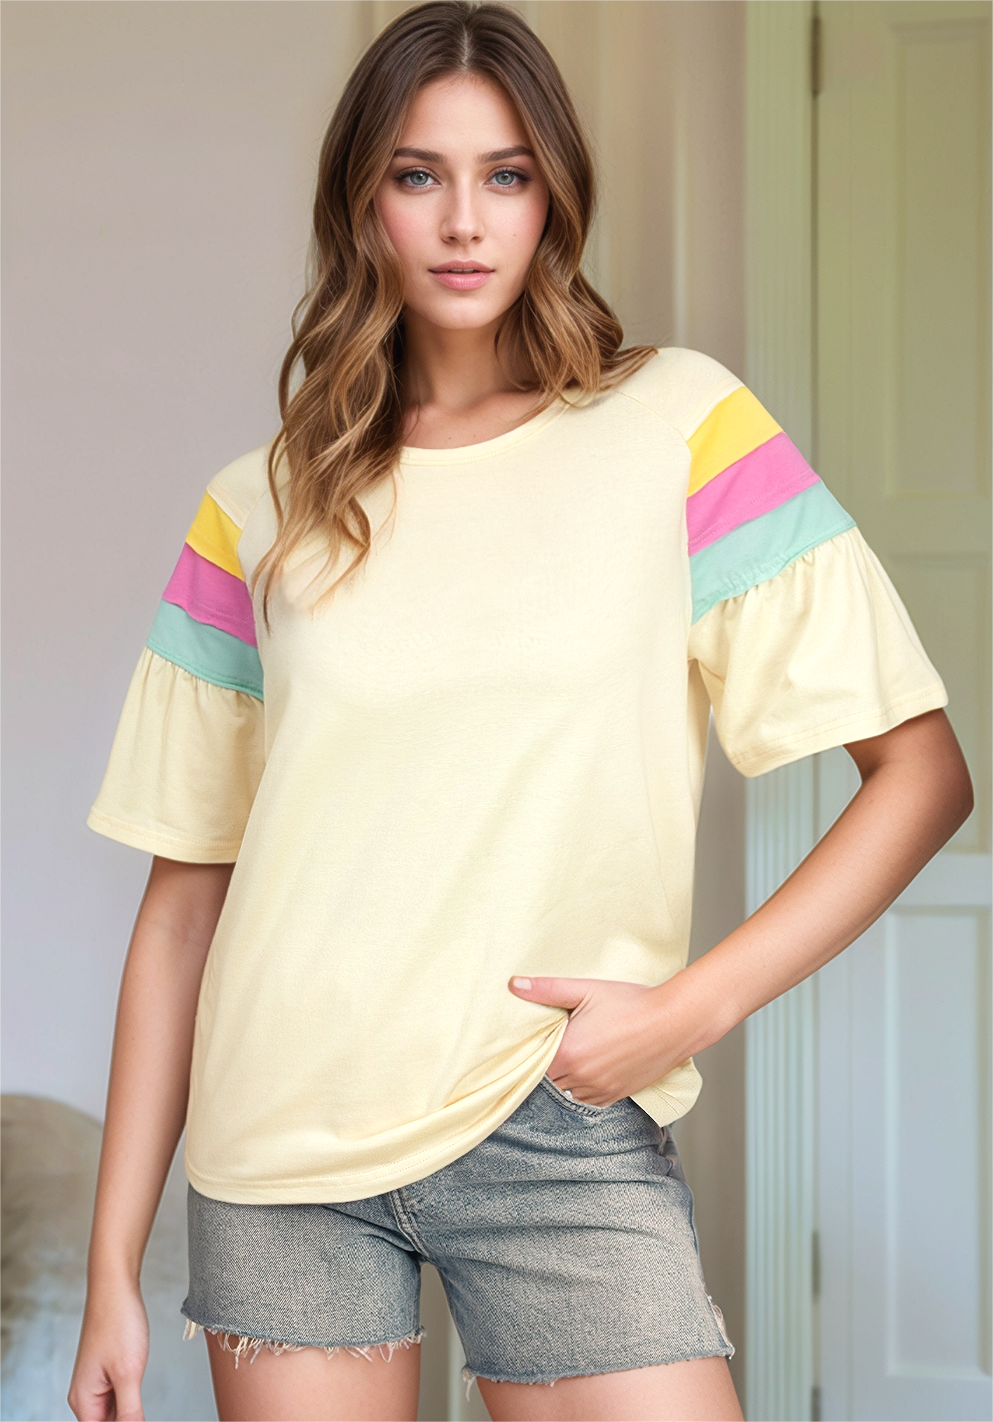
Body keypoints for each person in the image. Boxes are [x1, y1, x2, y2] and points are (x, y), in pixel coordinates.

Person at [67, 4, 971, 1420]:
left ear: (554, 197)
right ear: (362, 202)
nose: (463, 220)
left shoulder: (680, 427)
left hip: (557, 1115)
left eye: (506, 175)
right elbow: (183, 908)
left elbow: (922, 775)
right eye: (417, 175)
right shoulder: (259, 506)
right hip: (282, 1145)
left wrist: (687, 1009)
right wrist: (112, 1264)